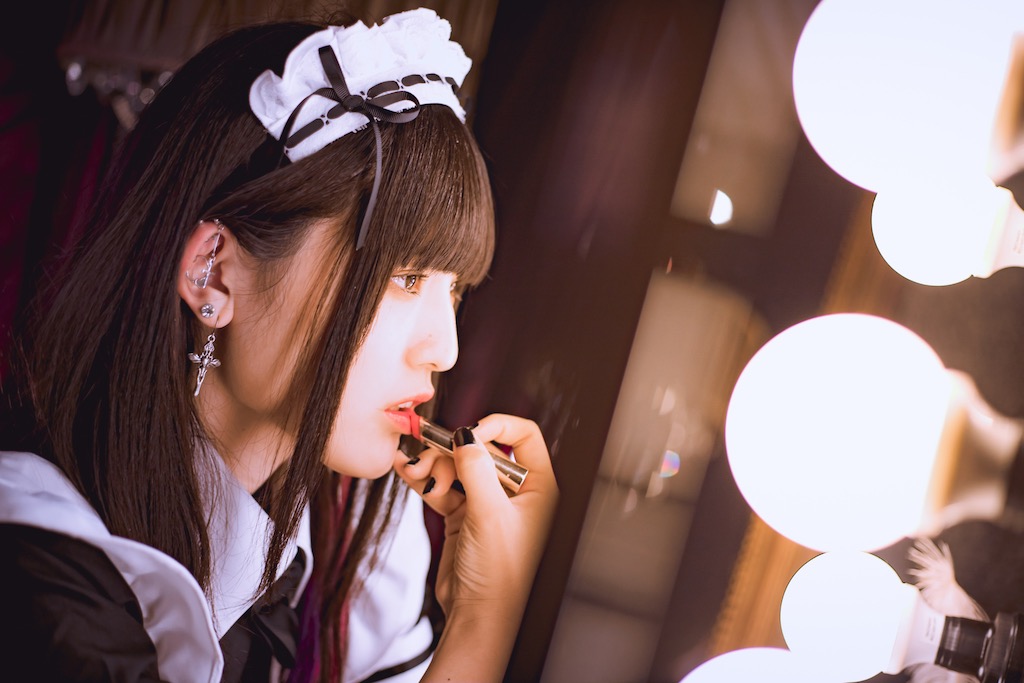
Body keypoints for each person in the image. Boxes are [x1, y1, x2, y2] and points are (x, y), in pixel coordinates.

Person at [0, 7, 557, 683]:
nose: (445, 350)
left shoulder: (355, 532)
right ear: (214, 273)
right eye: (406, 278)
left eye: (456, 289)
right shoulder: (35, 569)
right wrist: (485, 620)